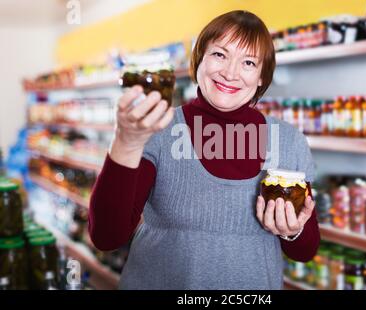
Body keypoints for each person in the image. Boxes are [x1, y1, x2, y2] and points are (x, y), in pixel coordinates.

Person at [89, 10, 320, 290]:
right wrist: (127, 142)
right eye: (219, 55)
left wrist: (293, 232)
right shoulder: (159, 128)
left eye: (248, 62)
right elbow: (106, 237)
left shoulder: (288, 141)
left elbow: (305, 251)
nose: (230, 72)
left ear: (261, 77)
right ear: (199, 59)